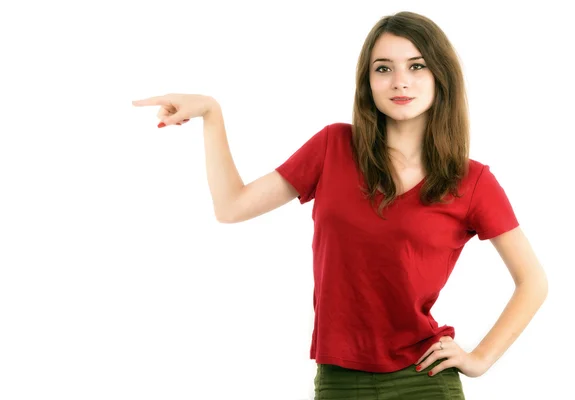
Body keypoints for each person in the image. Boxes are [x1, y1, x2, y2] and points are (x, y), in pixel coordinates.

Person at [132, 10, 548, 400]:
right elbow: (231, 207)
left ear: (441, 77)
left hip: (425, 381)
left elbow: (533, 281)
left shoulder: (471, 181)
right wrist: (211, 112)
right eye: (383, 68)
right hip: (338, 379)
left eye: (416, 66)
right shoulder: (333, 147)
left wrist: (480, 359)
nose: (400, 81)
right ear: (367, 82)